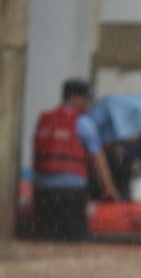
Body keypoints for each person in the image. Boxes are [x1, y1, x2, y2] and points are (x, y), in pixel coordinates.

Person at [32, 79, 121, 241]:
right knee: (74, 240)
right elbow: (98, 158)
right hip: (71, 192)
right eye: (87, 98)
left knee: (46, 238)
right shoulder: (83, 122)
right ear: (75, 98)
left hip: (43, 192)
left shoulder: (44, 119)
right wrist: (108, 187)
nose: (89, 103)